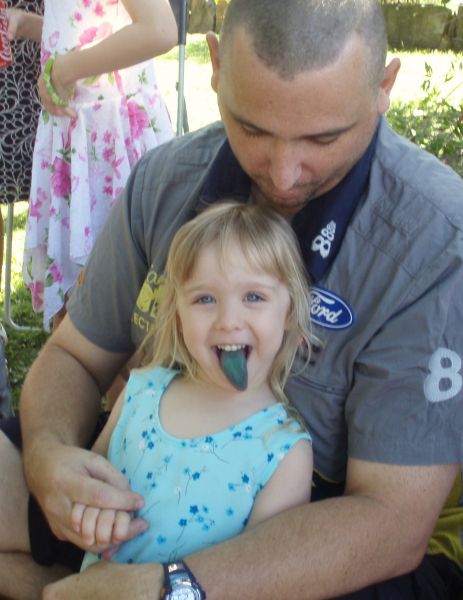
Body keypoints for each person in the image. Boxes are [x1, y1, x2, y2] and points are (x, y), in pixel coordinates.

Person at [1, 0, 463, 598]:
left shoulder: (435, 244)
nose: (285, 174)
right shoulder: (166, 179)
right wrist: (49, 457)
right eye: (252, 128)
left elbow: (390, 521)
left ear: (384, 87)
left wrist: (170, 590)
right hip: (145, 478)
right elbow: (72, 358)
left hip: (320, 526)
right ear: (215, 67)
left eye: (324, 137)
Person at [76, 201, 313, 572]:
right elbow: (89, 487)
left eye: (254, 297)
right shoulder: (141, 392)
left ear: (290, 312)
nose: (229, 320)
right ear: (178, 314)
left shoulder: (283, 452)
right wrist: (91, 518)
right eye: (205, 299)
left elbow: (260, 577)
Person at [7, 0, 177, 330]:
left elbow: (159, 29)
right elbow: (92, 26)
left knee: (118, 310)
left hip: (107, 138)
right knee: (77, 310)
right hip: (77, 133)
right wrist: (29, 25)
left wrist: (64, 70)